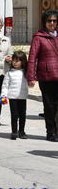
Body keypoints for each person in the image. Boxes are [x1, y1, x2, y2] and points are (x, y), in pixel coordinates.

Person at [27, 10, 58, 141]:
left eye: (54, 21)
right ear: (44, 22)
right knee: (49, 106)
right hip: (46, 76)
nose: (52, 23)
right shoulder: (38, 37)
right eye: (49, 21)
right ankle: (50, 132)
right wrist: (31, 77)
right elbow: (32, 58)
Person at [0, 51, 29, 140]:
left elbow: (31, 81)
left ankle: (22, 131)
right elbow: (5, 85)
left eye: (18, 61)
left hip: (23, 97)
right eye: (14, 60)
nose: (15, 62)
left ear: (23, 62)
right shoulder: (9, 73)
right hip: (13, 97)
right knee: (14, 115)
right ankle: (14, 131)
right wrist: (3, 96)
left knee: (23, 115)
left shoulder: (26, 73)